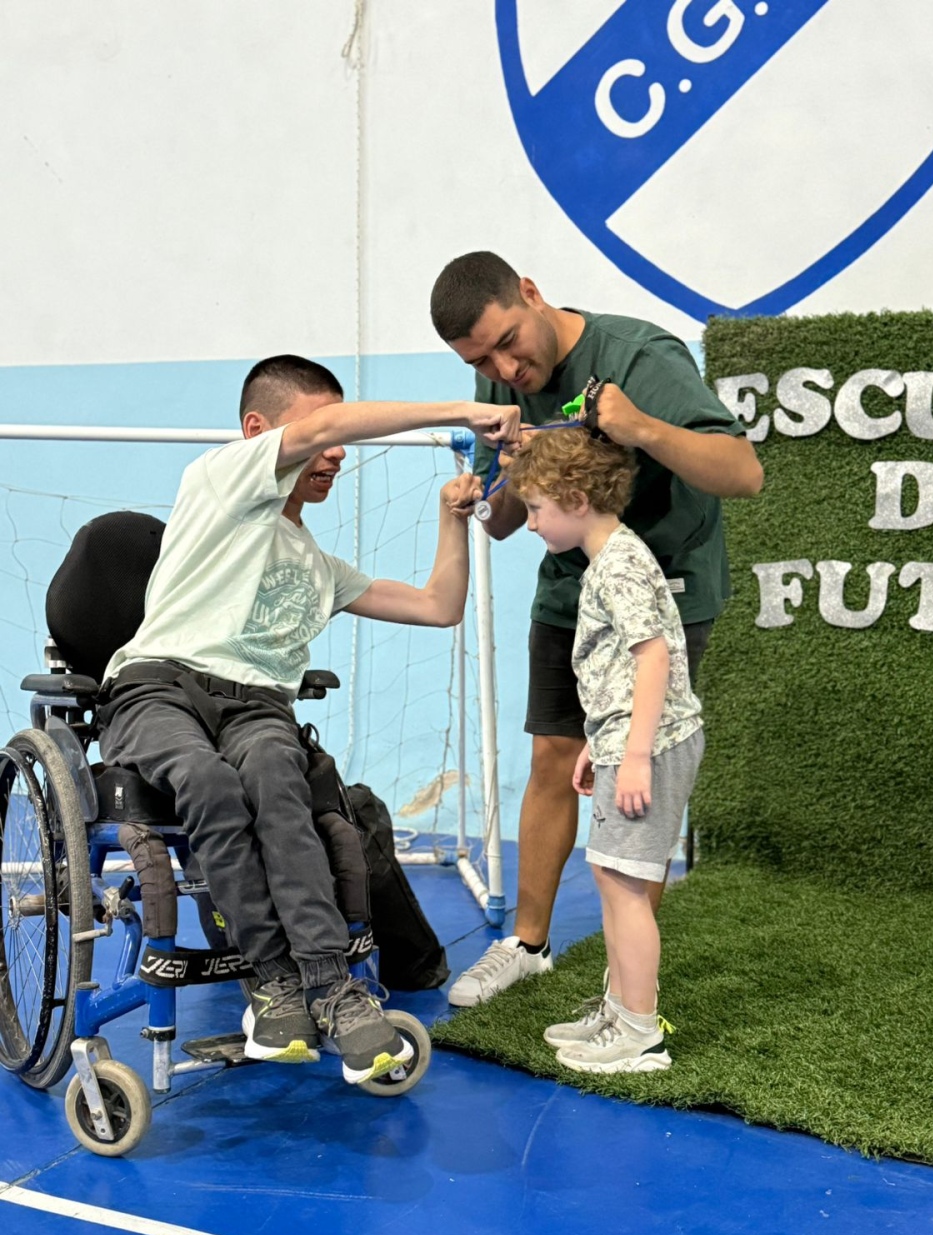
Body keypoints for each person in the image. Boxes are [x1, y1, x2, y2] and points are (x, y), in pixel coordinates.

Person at [99, 354, 517, 1077]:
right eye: (319, 436)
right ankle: (273, 982)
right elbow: (324, 428)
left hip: (258, 707)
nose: (336, 454)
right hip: (159, 688)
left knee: (277, 773)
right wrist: (459, 410)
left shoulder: (318, 566)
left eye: (338, 442)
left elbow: (439, 606)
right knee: (207, 779)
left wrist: (454, 517)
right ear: (258, 432)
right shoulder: (218, 480)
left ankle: (331, 988)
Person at [429, 251, 761, 1007]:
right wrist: (504, 472)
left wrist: (641, 427)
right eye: (481, 360)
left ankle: (628, 988)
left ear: (533, 293)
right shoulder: (497, 381)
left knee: (635, 787)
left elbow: (743, 472)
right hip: (572, 593)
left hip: (663, 592)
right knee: (555, 754)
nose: (505, 368)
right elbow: (507, 522)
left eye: (509, 343)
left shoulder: (640, 356)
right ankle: (527, 943)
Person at [506, 424, 704, 1071]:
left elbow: (653, 659)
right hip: (625, 737)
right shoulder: (611, 557)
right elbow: (622, 664)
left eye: (536, 508)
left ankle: (638, 1027)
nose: (531, 524)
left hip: (650, 742)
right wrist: (601, 742)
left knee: (624, 882)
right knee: (613, 873)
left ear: (574, 496)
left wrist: (637, 753)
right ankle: (621, 1009)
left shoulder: (618, 561)